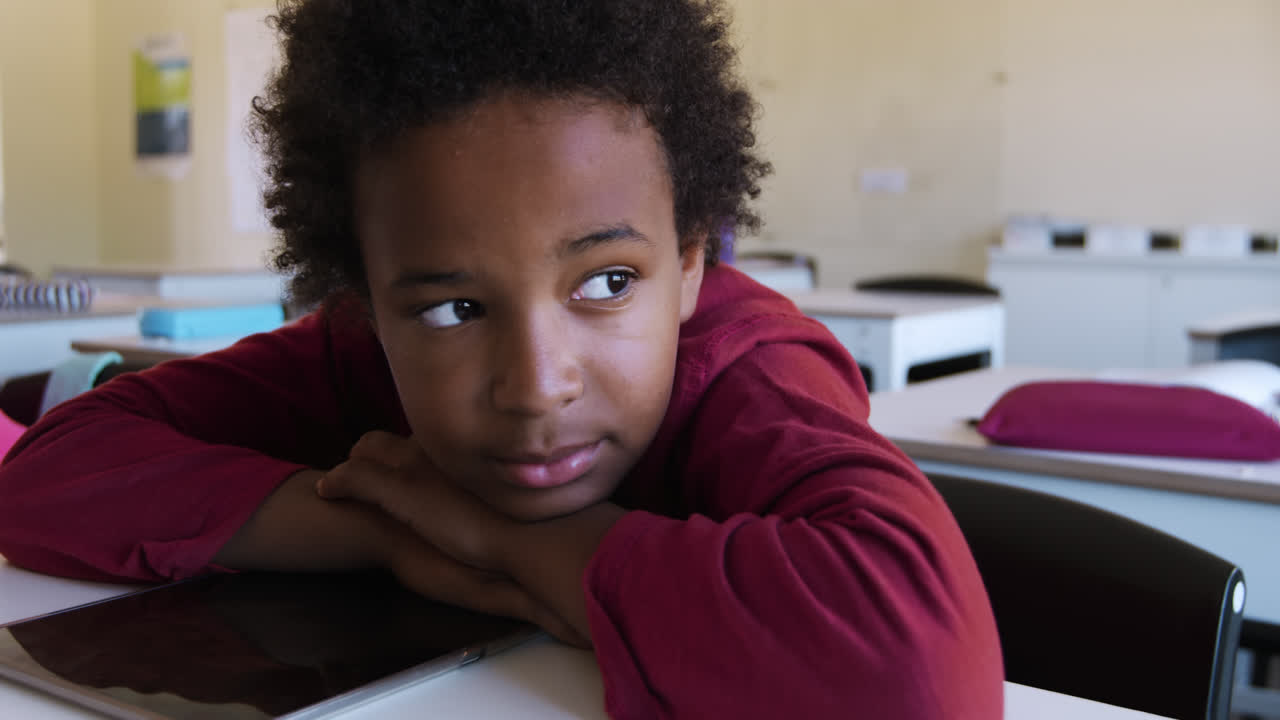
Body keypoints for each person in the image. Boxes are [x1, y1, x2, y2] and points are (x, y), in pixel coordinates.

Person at [0, 0, 1003, 717]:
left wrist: (501, 537)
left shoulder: (751, 371)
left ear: (693, 259)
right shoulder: (354, 355)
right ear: (363, 302)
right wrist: (384, 530)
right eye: (455, 308)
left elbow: (921, 670)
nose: (535, 385)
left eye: (607, 282)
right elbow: (43, 477)